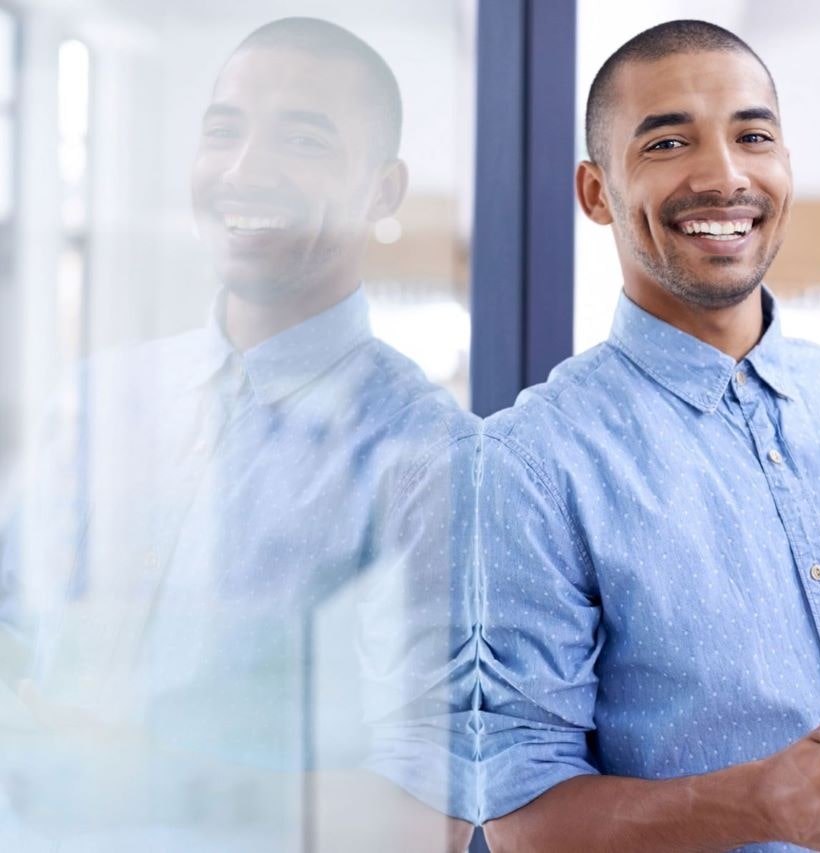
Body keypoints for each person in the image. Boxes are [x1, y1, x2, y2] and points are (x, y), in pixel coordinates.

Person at [477, 20, 820, 853]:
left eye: (753, 136)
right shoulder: (532, 465)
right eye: (668, 142)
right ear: (595, 192)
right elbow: (520, 821)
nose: (724, 176)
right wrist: (763, 803)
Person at [0, 17, 475, 852]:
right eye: (224, 129)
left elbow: (425, 808)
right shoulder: (99, 399)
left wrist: (135, 777)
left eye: (305, 138)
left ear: (384, 190)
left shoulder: (430, 454)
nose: (246, 169)